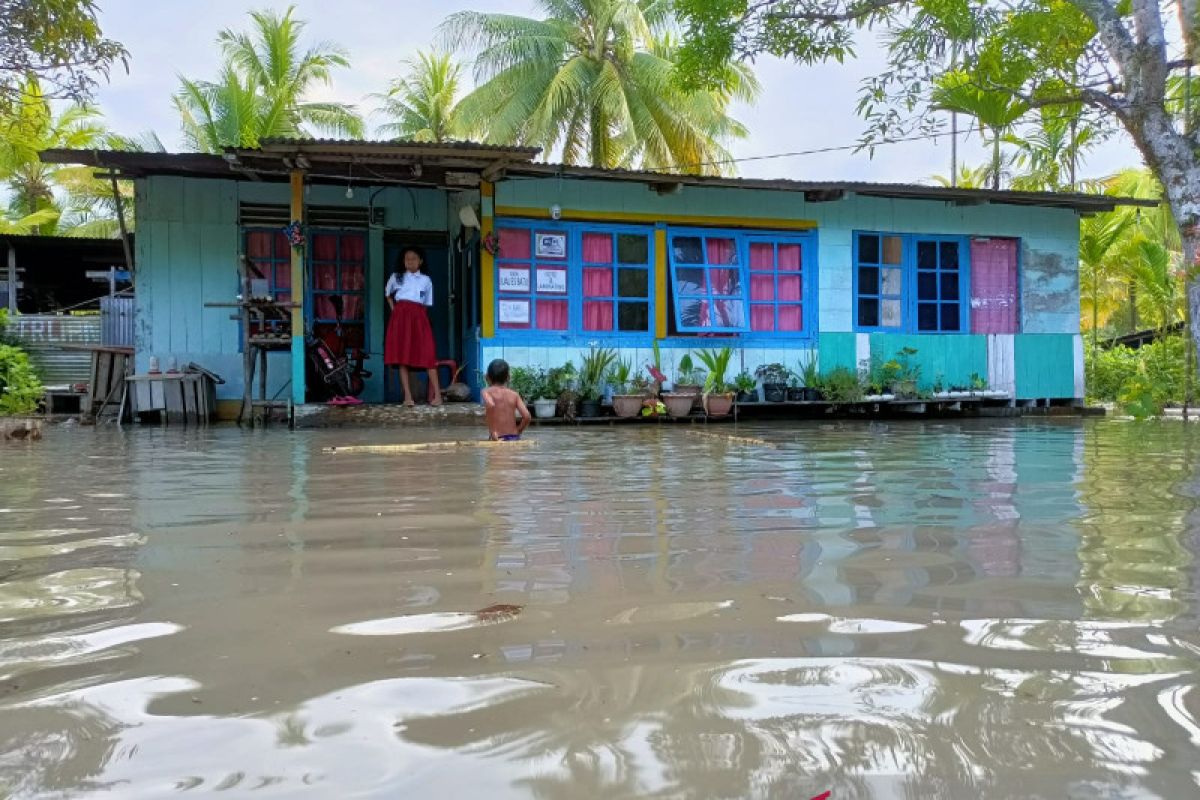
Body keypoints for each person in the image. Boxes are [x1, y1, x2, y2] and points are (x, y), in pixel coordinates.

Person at [384, 246, 441, 406]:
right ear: (403, 261)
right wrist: (394, 310)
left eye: (414, 258)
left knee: (428, 355)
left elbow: (427, 303)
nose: (410, 261)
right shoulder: (397, 277)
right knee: (403, 356)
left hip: (419, 317)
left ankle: (438, 396)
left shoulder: (426, 280)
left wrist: (419, 317)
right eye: (407, 258)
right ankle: (407, 397)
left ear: (421, 261)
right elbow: (388, 294)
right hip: (400, 318)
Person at [481, 359, 530, 441]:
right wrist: (518, 431)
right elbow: (527, 416)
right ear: (508, 378)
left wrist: (493, 431)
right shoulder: (514, 394)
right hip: (514, 437)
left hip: (498, 438)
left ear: (486, 377)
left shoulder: (486, 391)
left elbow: (490, 404)